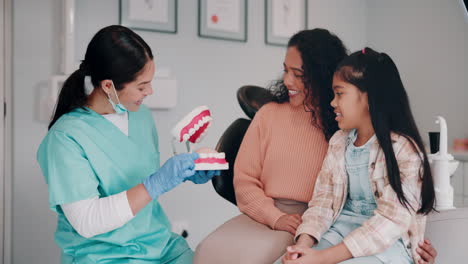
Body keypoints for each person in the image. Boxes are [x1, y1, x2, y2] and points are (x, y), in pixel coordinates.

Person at [37, 25, 217, 264]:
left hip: (159, 246)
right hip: (105, 255)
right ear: (108, 85)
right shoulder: (66, 138)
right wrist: (157, 183)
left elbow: (139, 180)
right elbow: (87, 222)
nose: (150, 92)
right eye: (142, 86)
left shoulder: (140, 116)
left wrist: (183, 173)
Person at [194, 29, 347, 264]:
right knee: (207, 251)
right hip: (265, 215)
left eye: (298, 74)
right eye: (286, 70)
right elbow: (244, 181)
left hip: (316, 223)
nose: (287, 81)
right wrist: (275, 217)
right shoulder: (268, 115)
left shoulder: (341, 124)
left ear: (322, 75)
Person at [282, 47, 436, 264]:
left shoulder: (403, 149)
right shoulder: (338, 142)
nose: (333, 102)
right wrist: (303, 246)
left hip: (387, 246)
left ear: (369, 98)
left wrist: (323, 258)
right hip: (339, 233)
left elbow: (390, 222)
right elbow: (322, 203)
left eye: (340, 93)